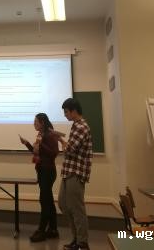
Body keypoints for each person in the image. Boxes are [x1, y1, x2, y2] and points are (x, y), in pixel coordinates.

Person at [58, 98, 93, 250]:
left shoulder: (81, 127)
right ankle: (76, 239)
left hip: (76, 172)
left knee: (76, 208)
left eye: (66, 112)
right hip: (68, 171)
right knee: (63, 204)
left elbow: (70, 149)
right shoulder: (75, 125)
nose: (65, 115)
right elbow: (71, 148)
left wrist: (60, 140)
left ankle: (82, 243)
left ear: (74, 111)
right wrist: (64, 142)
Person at [19, 113, 60, 242]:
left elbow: (54, 153)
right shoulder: (41, 135)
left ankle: (41, 231)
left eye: (36, 122)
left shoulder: (50, 134)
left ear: (42, 122)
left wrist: (41, 145)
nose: (34, 124)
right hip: (42, 170)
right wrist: (27, 144)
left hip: (48, 171)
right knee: (48, 200)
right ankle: (53, 229)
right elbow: (37, 152)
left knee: (44, 200)